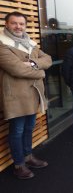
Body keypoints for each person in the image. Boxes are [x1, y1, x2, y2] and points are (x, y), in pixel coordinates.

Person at [0, 11, 52, 179]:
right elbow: (16, 69)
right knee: (17, 131)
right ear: (6, 24)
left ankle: (28, 156)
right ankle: (19, 164)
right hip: (16, 96)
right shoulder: (2, 44)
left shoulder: (29, 42)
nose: (18, 27)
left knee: (29, 128)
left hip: (32, 94)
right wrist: (41, 72)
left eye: (21, 24)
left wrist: (31, 63)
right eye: (14, 23)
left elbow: (48, 59)